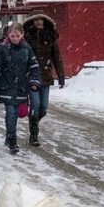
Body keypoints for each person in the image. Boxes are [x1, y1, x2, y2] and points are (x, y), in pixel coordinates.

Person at [0, 23, 40, 154]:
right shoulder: (3, 49)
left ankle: (9, 135)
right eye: (12, 36)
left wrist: (34, 81)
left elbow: (34, 66)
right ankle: (12, 140)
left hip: (21, 87)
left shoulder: (27, 49)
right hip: (6, 86)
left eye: (17, 36)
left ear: (22, 35)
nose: (15, 38)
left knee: (15, 114)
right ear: (8, 35)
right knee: (11, 112)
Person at [23, 14, 65, 147]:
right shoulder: (28, 38)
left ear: (44, 21)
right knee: (35, 105)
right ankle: (34, 135)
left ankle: (33, 121)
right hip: (32, 76)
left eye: (40, 19)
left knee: (43, 107)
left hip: (46, 75)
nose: (38, 22)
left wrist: (61, 75)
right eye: (35, 20)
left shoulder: (50, 38)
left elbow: (56, 57)